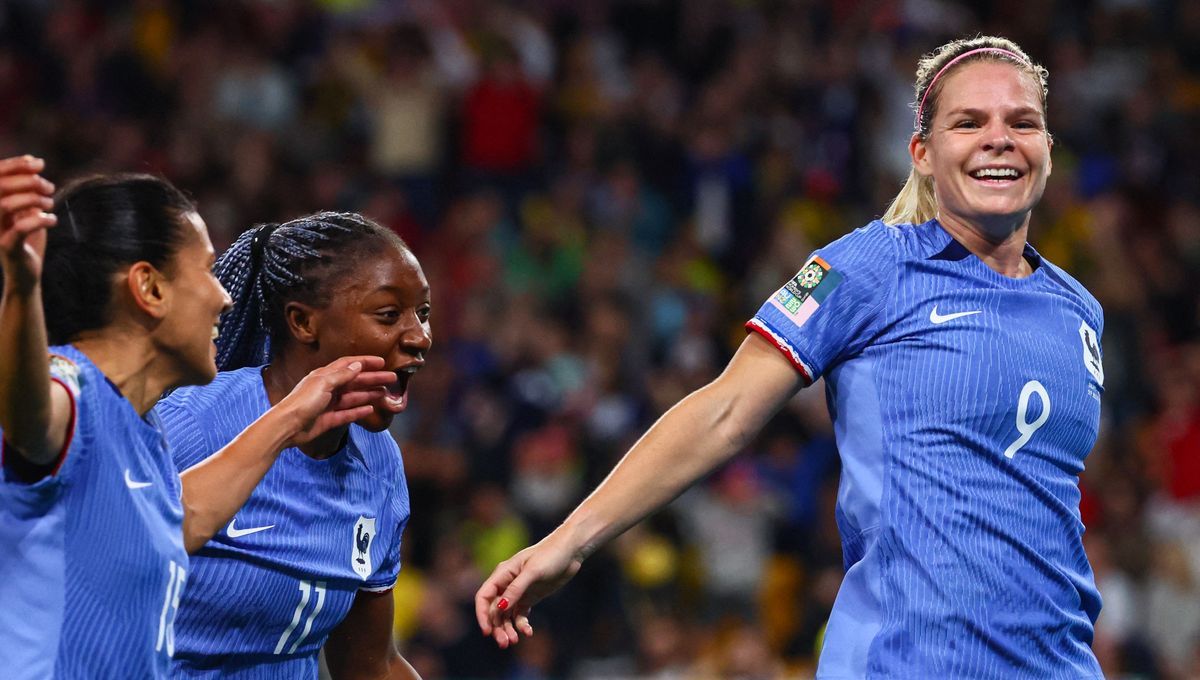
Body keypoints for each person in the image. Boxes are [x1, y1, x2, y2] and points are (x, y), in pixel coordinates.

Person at [476, 35, 1108, 678]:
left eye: (1022, 122)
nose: (999, 138)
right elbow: (725, 412)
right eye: (968, 122)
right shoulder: (866, 267)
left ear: (1048, 150)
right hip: (907, 661)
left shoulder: (1080, 311)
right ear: (922, 153)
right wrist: (570, 542)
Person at [0, 160, 397, 679]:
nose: (224, 295)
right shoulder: (75, 392)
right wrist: (21, 291)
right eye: (206, 271)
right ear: (150, 288)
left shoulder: (140, 429)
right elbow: (29, 416)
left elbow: (181, 517)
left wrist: (291, 417)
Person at [154, 211, 427, 678]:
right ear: (303, 322)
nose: (419, 337)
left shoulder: (379, 465)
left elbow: (370, 667)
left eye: (423, 313)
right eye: (389, 315)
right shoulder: (188, 427)